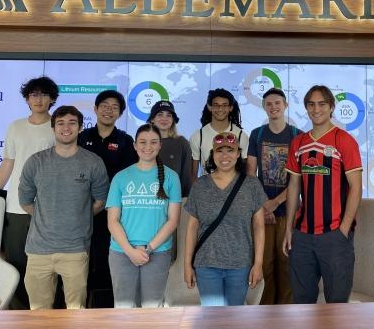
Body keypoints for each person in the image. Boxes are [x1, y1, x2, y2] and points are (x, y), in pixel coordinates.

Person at [18, 105, 109, 310]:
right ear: (53, 128)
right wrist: (48, 216)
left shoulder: (93, 162)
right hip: (38, 250)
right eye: (60, 123)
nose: (66, 127)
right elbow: (25, 201)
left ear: (80, 127)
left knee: (76, 311)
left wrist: (78, 217)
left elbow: (100, 201)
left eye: (71, 123)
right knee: (38, 312)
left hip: (75, 250)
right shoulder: (36, 162)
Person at [282, 85, 362, 304]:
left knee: (336, 303)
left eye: (322, 104)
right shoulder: (298, 142)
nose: (316, 109)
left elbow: (356, 187)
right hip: (303, 235)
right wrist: (289, 229)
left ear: (331, 107)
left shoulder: (344, 140)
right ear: (306, 108)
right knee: (302, 301)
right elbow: (294, 187)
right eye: (311, 104)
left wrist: (344, 228)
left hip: (334, 234)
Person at [0, 76, 59, 309]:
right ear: (27, 99)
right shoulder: (16, 126)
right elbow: (8, 162)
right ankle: (20, 314)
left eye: (43, 94)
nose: (38, 99)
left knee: (49, 263)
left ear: (52, 99)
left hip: (48, 208)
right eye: (33, 94)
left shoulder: (58, 127)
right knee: (17, 262)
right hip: (15, 207)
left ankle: (51, 314)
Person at [184, 132, 266, 306]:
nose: (225, 156)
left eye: (230, 150)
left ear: (238, 154)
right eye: (219, 151)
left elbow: (259, 226)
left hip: (240, 265)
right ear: (212, 155)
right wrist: (187, 264)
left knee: (235, 319)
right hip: (206, 264)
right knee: (212, 319)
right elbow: (192, 227)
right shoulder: (200, 186)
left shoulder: (251, 185)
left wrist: (258, 263)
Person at [106, 123, 182, 308]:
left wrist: (148, 249)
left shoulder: (171, 178)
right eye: (143, 142)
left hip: (158, 252)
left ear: (160, 145)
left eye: (153, 142)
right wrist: (130, 251)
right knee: (123, 309)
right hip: (122, 252)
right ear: (134, 145)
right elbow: (112, 221)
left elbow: (173, 221)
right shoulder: (121, 177)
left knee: (152, 308)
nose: (148, 147)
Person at [78, 89, 138, 308]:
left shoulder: (125, 140)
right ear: (95, 109)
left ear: (120, 113)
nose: (108, 110)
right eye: (104, 105)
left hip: (111, 212)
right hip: (81, 210)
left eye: (114, 107)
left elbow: (129, 176)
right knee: (80, 260)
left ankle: (104, 310)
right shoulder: (81, 137)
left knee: (105, 260)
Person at [247, 87, 301, 305]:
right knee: (265, 263)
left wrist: (275, 202)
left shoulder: (297, 136)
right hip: (262, 212)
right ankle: (264, 313)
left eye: (277, 103)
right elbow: (251, 173)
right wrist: (262, 205)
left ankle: (286, 313)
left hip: (288, 212)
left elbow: (300, 177)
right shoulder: (257, 134)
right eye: (269, 104)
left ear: (285, 105)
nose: (273, 107)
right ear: (264, 107)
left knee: (287, 263)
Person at [189, 88, 249, 181]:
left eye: (224, 105)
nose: (220, 109)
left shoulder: (241, 136)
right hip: (207, 191)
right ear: (210, 107)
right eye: (216, 105)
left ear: (230, 108)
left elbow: (245, 172)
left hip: (235, 192)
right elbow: (193, 176)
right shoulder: (198, 136)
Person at [147, 100, 193, 197]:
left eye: (169, 115)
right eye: (160, 114)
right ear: (152, 119)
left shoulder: (182, 143)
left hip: (173, 201)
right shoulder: (143, 142)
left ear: (173, 120)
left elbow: (186, 178)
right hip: (146, 200)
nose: (165, 118)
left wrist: (184, 200)